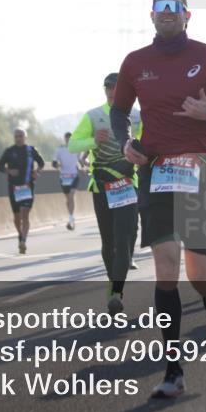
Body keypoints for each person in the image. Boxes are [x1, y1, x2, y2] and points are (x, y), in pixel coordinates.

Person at [111, 0, 206, 399]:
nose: (168, 13)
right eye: (161, 7)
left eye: (175, 7)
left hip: (203, 172)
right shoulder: (135, 63)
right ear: (151, 16)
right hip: (156, 172)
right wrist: (127, 142)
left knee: (199, 275)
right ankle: (173, 370)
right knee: (167, 266)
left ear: (187, 15)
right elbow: (119, 112)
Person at [68, 72, 142, 314]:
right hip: (101, 187)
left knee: (125, 239)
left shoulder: (137, 117)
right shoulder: (94, 116)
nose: (112, 91)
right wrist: (92, 141)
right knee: (109, 241)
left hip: (128, 184)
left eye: (116, 87)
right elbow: (73, 145)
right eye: (108, 88)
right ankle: (113, 285)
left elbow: (148, 143)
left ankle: (116, 291)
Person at [0, 128, 45, 254]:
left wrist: (37, 172)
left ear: (25, 137)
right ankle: (20, 234)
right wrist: (9, 171)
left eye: (21, 136)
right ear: (14, 137)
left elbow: (41, 162)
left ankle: (23, 240)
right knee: (17, 216)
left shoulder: (31, 150)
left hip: (28, 186)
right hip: (14, 187)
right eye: (16, 136)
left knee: (25, 214)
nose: (18, 138)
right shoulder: (9, 151)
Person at [53, 132, 81, 230]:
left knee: (71, 196)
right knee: (68, 199)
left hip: (74, 176)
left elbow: (81, 160)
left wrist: (85, 166)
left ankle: (71, 219)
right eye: (67, 139)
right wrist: (57, 165)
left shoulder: (77, 149)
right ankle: (71, 215)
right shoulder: (60, 149)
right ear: (64, 139)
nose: (68, 140)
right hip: (64, 177)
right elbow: (54, 162)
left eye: (70, 139)